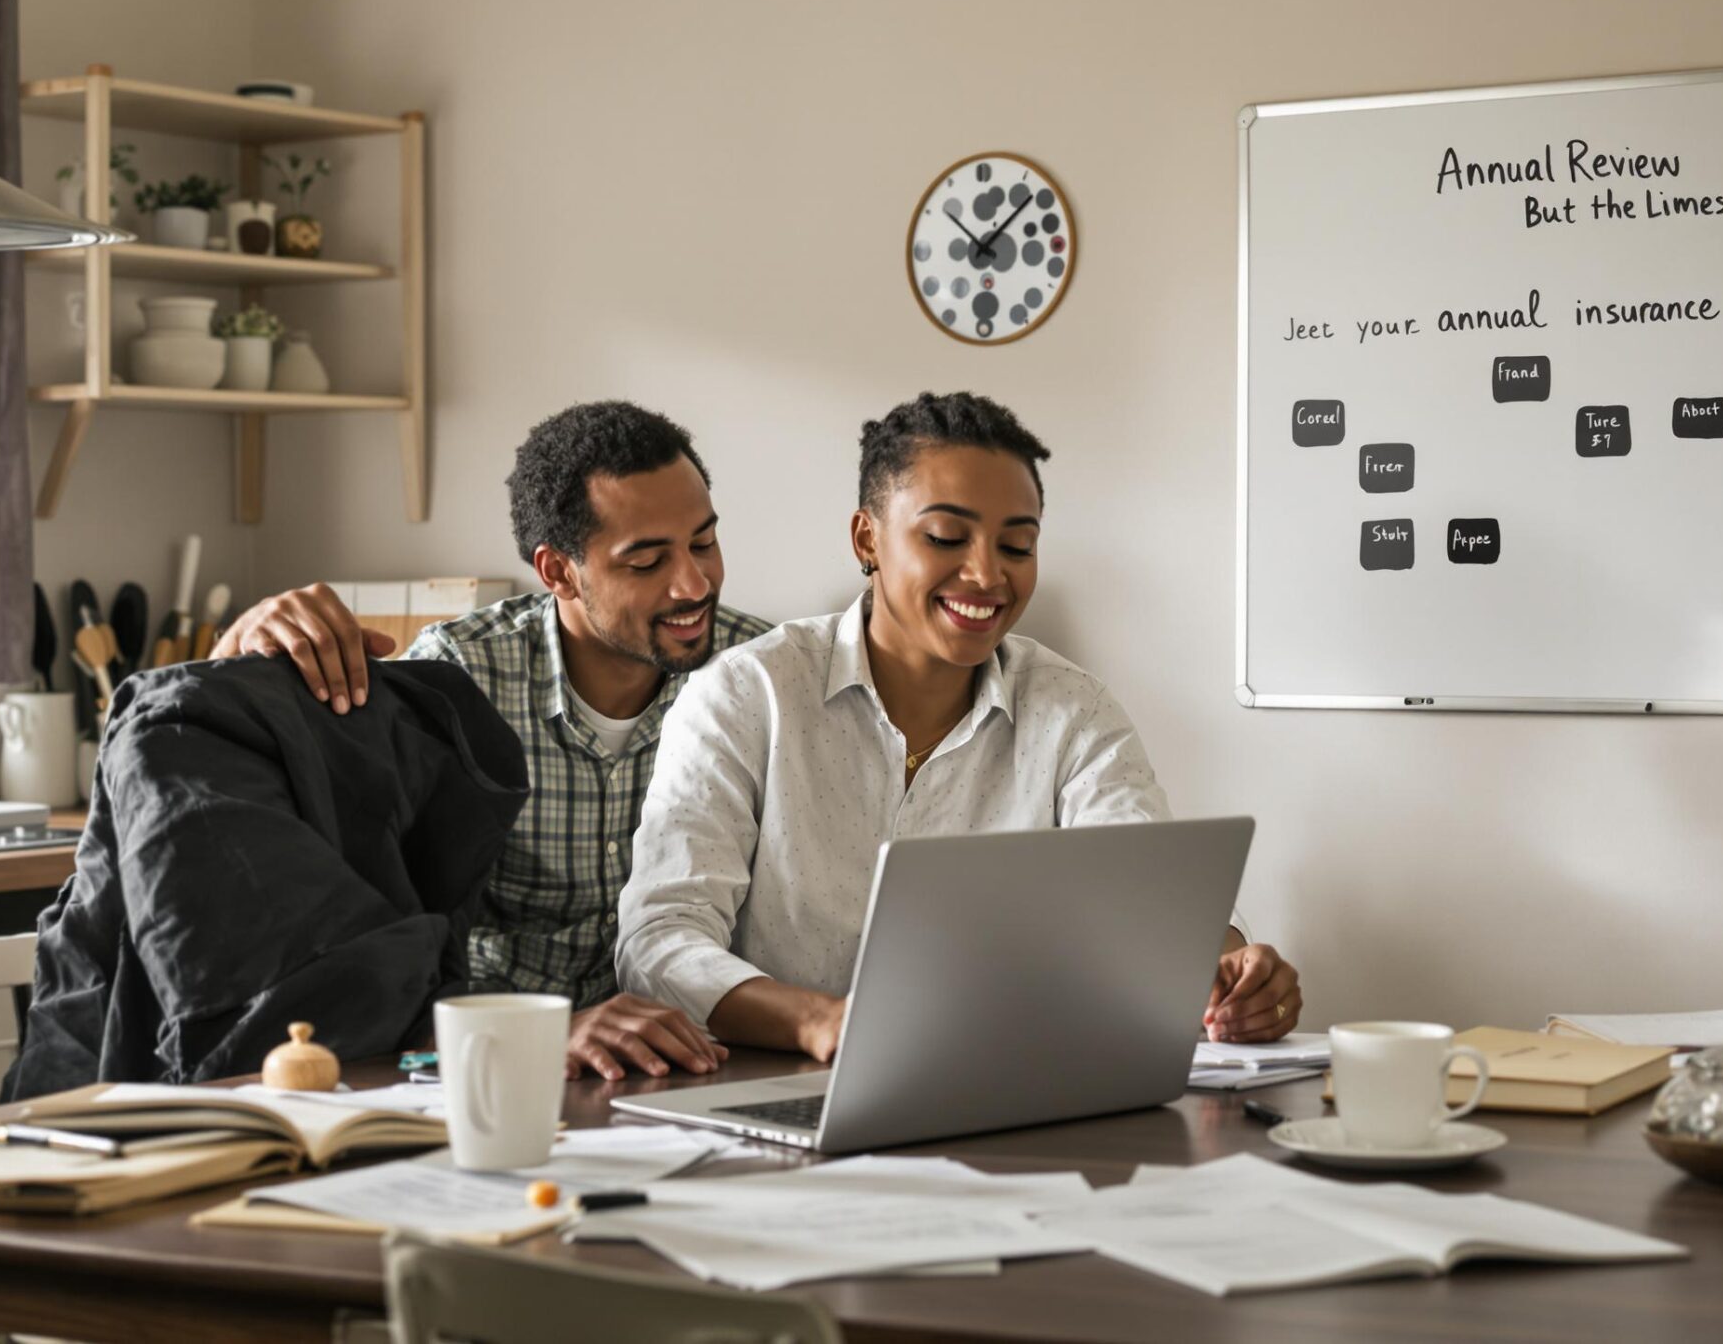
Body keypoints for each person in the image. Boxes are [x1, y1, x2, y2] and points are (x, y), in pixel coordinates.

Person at [617, 392, 1302, 1062]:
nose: (986, 573)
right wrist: (821, 1021)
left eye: (1017, 545)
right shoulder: (746, 694)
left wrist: (1228, 970)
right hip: (777, 1087)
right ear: (867, 538)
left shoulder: (1074, 711)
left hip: (1000, 1086)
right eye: (946, 537)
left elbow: (1153, 900)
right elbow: (659, 941)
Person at [213, 402, 769, 1080]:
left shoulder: (756, 673)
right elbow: (352, 915)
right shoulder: (459, 676)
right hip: (496, 1066)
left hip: (702, 1068)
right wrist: (242, 650)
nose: (694, 583)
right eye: (648, 561)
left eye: (703, 543)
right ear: (559, 572)